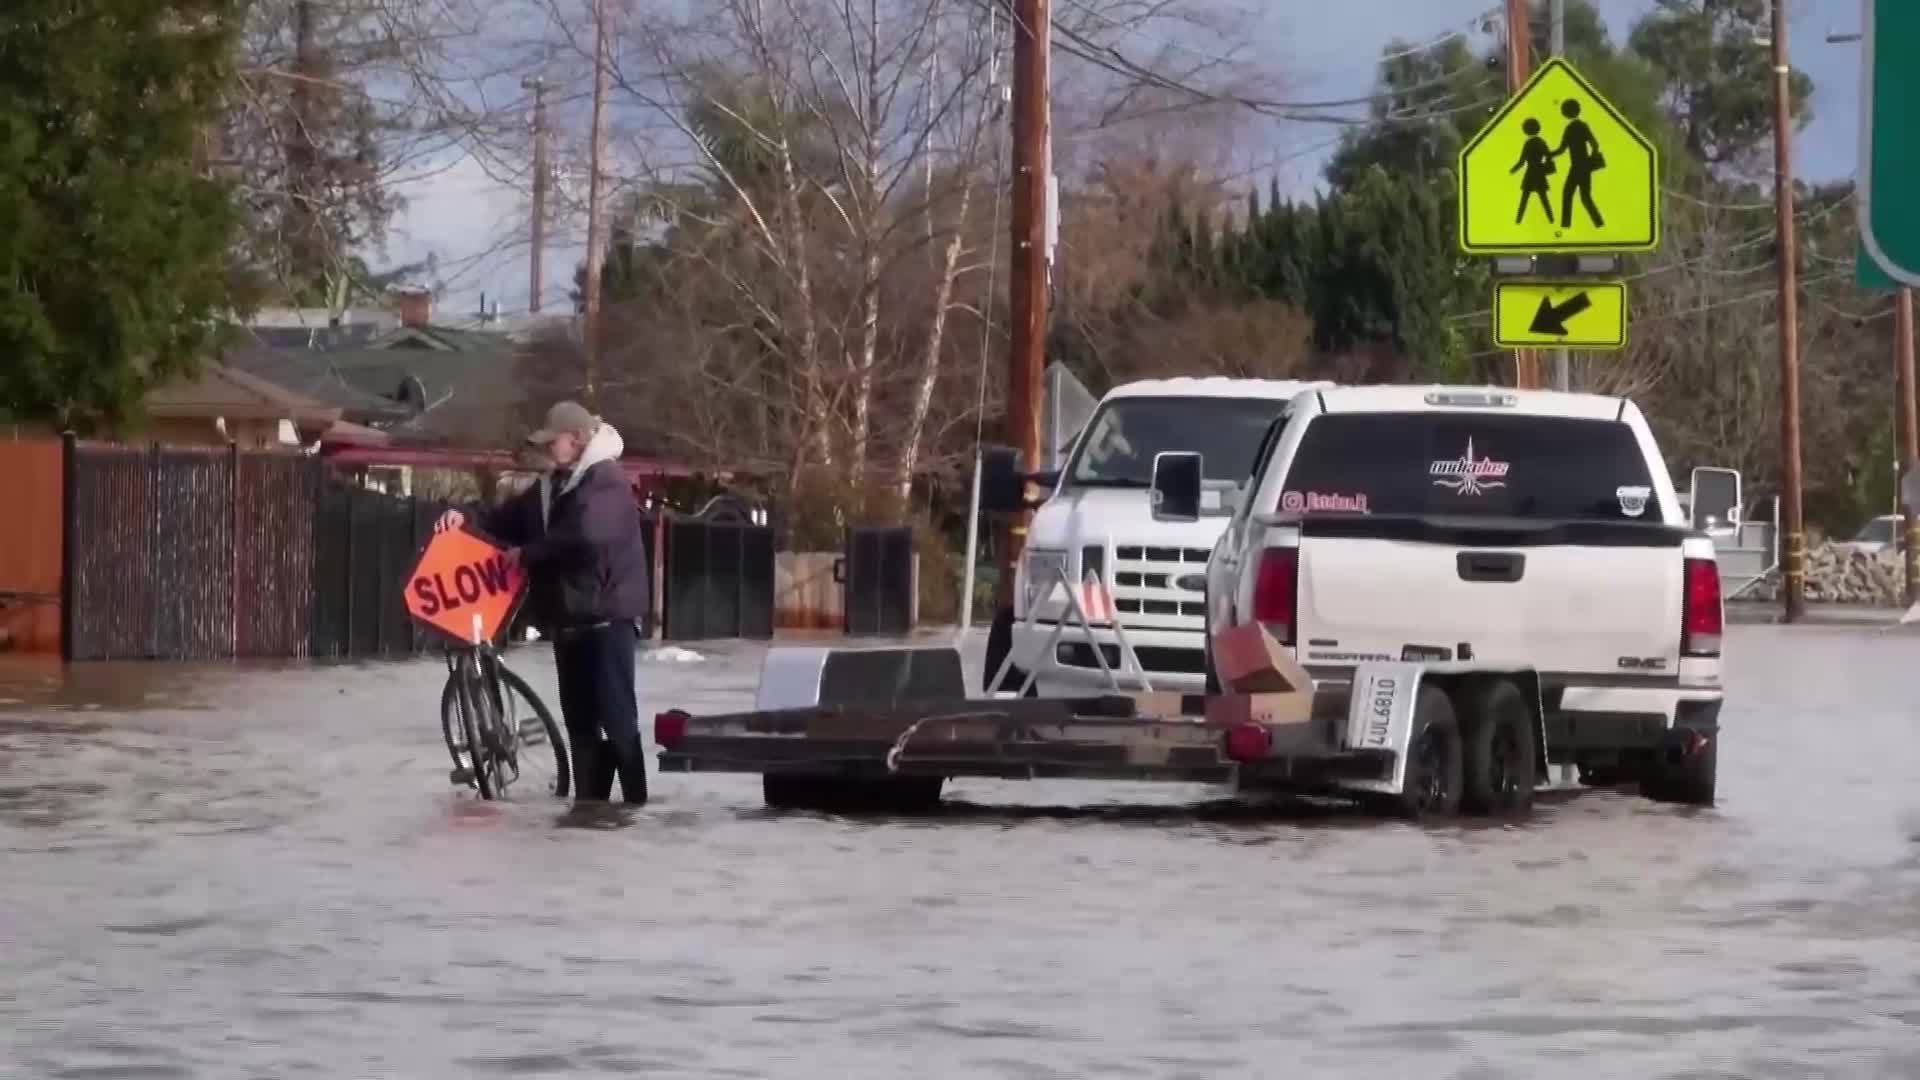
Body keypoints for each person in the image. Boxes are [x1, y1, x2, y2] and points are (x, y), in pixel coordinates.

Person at [435, 401, 651, 805]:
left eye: (555, 441)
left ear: (577, 439)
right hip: (568, 623)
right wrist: (462, 517)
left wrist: (528, 554)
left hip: (607, 620)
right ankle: (591, 811)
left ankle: (635, 807)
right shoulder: (551, 488)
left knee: (619, 721)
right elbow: (502, 518)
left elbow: (587, 536)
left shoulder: (607, 480)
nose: (549, 449)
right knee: (581, 727)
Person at [1551, 99, 1605, 230]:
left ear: (1566, 113)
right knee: (1584, 196)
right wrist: (1591, 159)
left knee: (1568, 194)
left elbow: (1561, 149)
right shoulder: (1582, 126)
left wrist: (1548, 154)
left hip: (1577, 167)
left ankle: (1566, 225)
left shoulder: (1570, 128)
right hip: (1583, 166)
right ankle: (1598, 223)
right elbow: (1595, 144)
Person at [1509, 117, 1556, 225]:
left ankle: (1518, 220)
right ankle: (1551, 219)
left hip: (1530, 173)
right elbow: (1548, 155)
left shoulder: (1528, 143)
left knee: (1524, 199)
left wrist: (1512, 171)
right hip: (1539, 172)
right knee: (1544, 198)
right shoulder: (1541, 142)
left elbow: (1521, 161)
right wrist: (1546, 166)